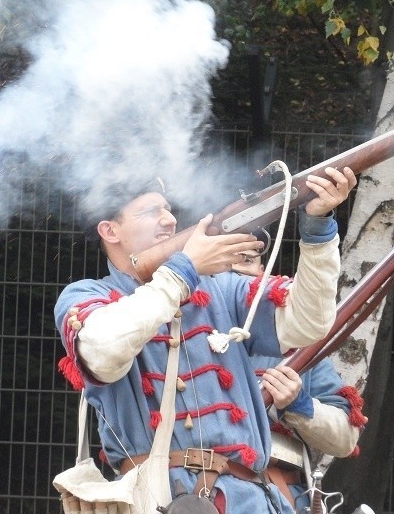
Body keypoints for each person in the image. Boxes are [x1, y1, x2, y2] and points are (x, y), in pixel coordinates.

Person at [54, 166, 357, 514]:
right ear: (110, 230)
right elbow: (102, 350)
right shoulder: (88, 295)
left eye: (168, 209)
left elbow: (308, 323)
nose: (169, 220)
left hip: (253, 500)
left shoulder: (221, 288)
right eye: (152, 211)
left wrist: (318, 228)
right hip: (160, 500)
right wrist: (184, 270)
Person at [233, 252, 367, 512]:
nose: (237, 270)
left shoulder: (296, 342)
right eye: (228, 259)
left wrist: (297, 404)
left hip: (273, 493)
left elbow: (345, 437)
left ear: (264, 268)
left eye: (247, 260)